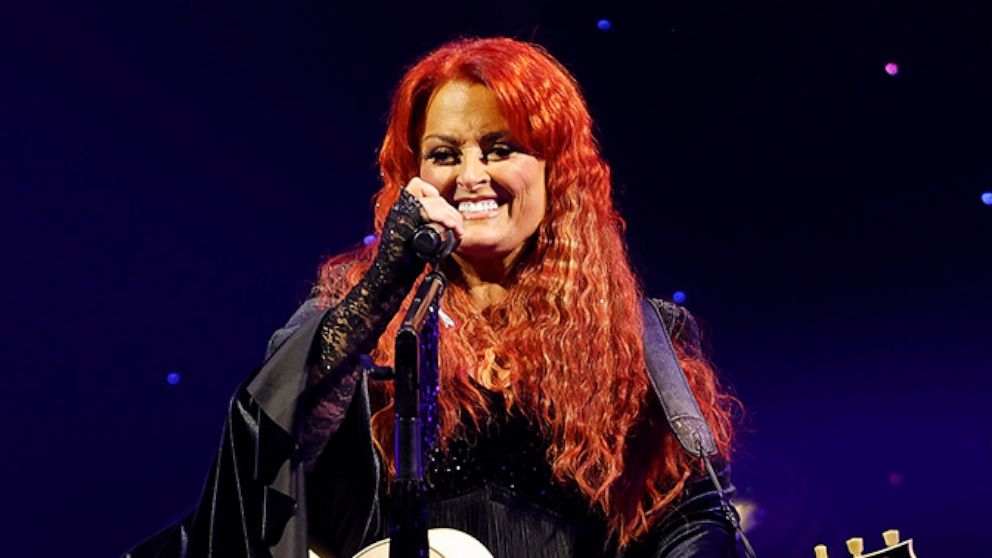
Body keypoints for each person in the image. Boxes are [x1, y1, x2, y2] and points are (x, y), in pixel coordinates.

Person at [126, 37, 742, 558]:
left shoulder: (636, 333)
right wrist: (382, 286)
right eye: (445, 155)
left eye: (500, 149)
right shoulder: (355, 309)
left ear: (557, 170)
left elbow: (686, 515)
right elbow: (269, 448)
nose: (470, 176)